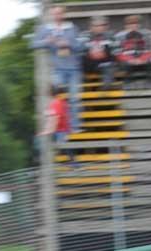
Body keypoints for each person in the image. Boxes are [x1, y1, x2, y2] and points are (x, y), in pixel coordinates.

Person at [33, 4, 83, 132]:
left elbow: (80, 46)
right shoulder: (46, 29)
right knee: (57, 100)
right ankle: (58, 129)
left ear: (63, 14)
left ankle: (75, 127)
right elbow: (33, 44)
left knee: (74, 99)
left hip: (73, 69)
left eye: (59, 13)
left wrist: (69, 44)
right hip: (57, 69)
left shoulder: (72, 28)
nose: (57, 15)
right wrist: (47, 41)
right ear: (51, 15)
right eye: (55, 13)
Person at [115, 15, 151, 87]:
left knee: (150, 64)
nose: (133, 26)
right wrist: (131, 60)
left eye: (135, 24)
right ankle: (128, 84)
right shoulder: (119, 36)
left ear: (139, 25)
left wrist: (142, 59)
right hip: (127, 61)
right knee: (126, 66)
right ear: (126, 26)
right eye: (130, 24)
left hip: (143, 60)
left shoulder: (147, 34)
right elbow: (116, 52)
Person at [38, 85, 75, 165]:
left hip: (60, 130)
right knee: (65, 147)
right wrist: (46, 130)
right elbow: (51, 119)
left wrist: (49, 131)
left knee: (61, 145)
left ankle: (73, 164)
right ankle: (72, 163)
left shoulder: (56, 103)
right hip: (61, 130)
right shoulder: (57, 103)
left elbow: (55, 119)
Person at [81, 16, 115, 89]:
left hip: (104, 63)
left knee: (110, 66)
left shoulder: (111, 36)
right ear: (91, 27)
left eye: (102, 25)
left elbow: (114, 52)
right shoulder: (84, 36)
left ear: (106, 26)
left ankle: (106, 89)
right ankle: (84, 87)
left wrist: (103, 54)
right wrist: (91, 55)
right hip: (89, 63)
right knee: (78, 63)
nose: (99, 27)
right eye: (96, 25)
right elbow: (81, 51)